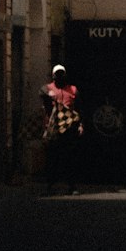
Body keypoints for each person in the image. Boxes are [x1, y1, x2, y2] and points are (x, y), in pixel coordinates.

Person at [41, 63, 84, 195]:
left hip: (69, 129)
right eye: (57, 74)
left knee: (70, 158)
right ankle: (50, 185)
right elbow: (44, 104)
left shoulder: (73, 90)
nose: (59, 77)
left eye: (61, 74)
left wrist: (81, 124)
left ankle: (72, 186)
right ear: (53, 76)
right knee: (52, 158)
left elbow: (79, 109)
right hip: (53, 129)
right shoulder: (47, 89)